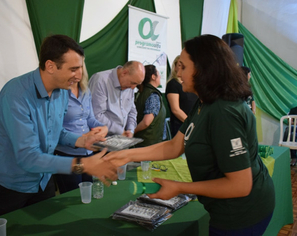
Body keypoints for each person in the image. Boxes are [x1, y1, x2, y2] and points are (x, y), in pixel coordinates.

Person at [104, 35, 275, 235]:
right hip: (225, 210)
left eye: (183, 67)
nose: (178, 71)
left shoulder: (223, 112)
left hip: (242, 214)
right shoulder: (204, 102)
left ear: (203, 70)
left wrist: (179, 187)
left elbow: (240, 185)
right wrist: (127, 154)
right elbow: (174, 146)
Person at [0, 35, 117, 218]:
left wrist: (82, 140)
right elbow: (28, 157)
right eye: (73, 69)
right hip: (10, 185)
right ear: (50, 66)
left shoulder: (61, 92)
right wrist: (83, 164)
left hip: (43, 178)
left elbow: (55, 132)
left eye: (80, 68)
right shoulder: (16, 95)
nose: (79, 75)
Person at [53, 59, 108, 194]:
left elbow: (90, 119)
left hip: (88, 153)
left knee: (86, 194)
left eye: (79, 68)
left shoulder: (85, 90)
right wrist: (82, 139)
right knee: (71, 195)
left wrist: (104, 127)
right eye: (73, 69)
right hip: (67, 155)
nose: (77, 73)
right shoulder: (58, 93)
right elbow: (54, 129)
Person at [88, 61, 145, 138]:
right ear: (124, 73)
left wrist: (131, 129)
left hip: (122, 139)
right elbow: (96, 115)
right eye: (133, 83)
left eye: (136, 84)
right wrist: (119, 131)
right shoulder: (101, 80)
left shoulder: (130, 86)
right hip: (102, 140)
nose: (133, 88)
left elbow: (132, 111)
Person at [165, 55, 198, 137]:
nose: (181, 69)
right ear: (175, 67)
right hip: (181, 126)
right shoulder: (173, 84)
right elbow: (176, 109)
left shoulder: (191, 84)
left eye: (184, 66)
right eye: (179, 65)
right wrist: (190, 123)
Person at [134, 64, 166, 147]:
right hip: (149, 143)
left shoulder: (142, 93)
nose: (160, 77)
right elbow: (146, 122)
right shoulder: (153, 96)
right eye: (158, 74)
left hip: (145, 142)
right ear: (153, 77)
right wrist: (132, 131)